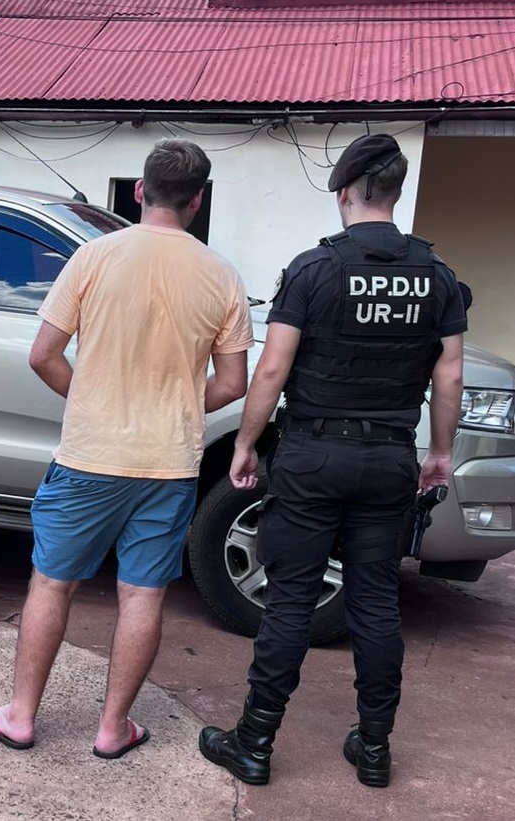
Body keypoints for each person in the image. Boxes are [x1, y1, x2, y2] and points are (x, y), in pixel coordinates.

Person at [0, 139, 253, 758]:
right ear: (197, 201)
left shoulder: (93, 257)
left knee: (52, 584)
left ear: (137, 191)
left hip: (88, 456)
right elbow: (232, 384)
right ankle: (112, 729)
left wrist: (92, 397)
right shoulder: (221, 274)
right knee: (142, 594)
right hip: (169, 463)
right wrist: (172, 404)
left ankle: (19, 717)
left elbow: (42, 355)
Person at [198, 134, 466, 787]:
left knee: (289, 597)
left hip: (313, 453)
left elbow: (270, 369)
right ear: (395, 194)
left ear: (344, 193)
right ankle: (373, 749)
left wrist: (242, 444)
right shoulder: (436, 277)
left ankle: (254, 742)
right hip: (386, 458)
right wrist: (437, 452)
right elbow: (449, 374)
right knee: (374, 600)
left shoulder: (312, 270)